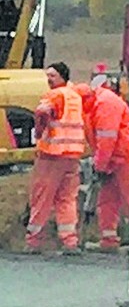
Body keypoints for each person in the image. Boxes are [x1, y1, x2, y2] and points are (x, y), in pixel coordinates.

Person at [25, 62, 85, 255]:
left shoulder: (55, 95)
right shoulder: (75, 96)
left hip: (52, 154)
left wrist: (39, 131)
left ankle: (33, 240)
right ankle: (70, 241)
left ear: (62, 77)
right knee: (66, 198)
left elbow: (42, 112)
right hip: (72, 155)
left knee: (42, 197)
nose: (49, 80)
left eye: (52, 76)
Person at [75, 76, 129, 251]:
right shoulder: (90, 107)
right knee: (106, 199)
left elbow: (107, 138)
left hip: (124, 157)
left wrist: (99, 165)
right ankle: (108, 239)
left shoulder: (105, 104)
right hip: (110, 159)